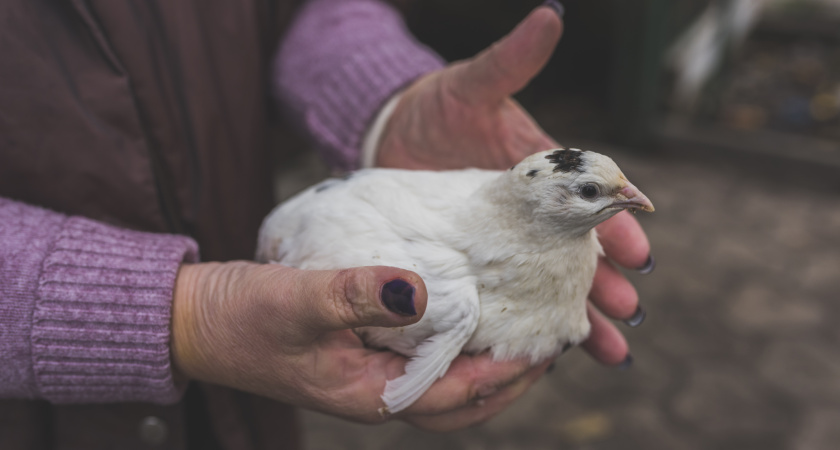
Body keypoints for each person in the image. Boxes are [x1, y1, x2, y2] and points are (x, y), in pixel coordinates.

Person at [0, 0, 652, 448]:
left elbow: (293, 7)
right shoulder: (444, 292)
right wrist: (182, 314)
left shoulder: (487, 193)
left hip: (238, 409)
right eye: (600, 191)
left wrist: (385, 105)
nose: (630, 195)